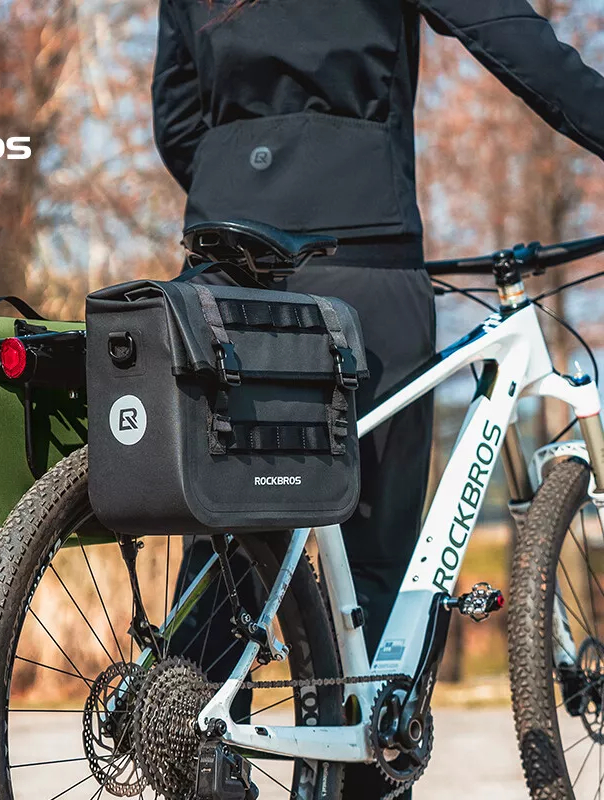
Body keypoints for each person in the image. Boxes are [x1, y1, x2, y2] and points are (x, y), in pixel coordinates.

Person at [152, 1, 604, 796]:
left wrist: (257, 197)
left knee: (224, 539)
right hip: (361, 238)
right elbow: (507, 34)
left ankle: (195, 761)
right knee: (373, 562)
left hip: (224, 250)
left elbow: (177, 116)